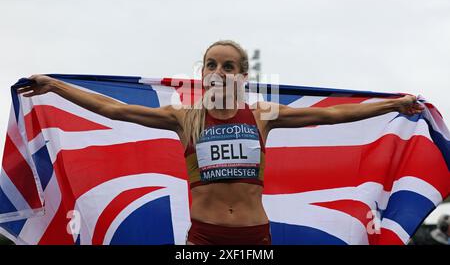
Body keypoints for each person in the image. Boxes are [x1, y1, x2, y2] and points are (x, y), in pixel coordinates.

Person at [17, 40, 425, 245]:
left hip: (254, 235)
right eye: (211, 64)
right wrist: (54, 86)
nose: (218, 70)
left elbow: (332, 114)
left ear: (242, 76)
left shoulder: (263, 115)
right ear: (203, 72)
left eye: (228, 65)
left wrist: (393, 105)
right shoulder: (185, 118)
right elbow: (115, 110)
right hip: (203, 237)